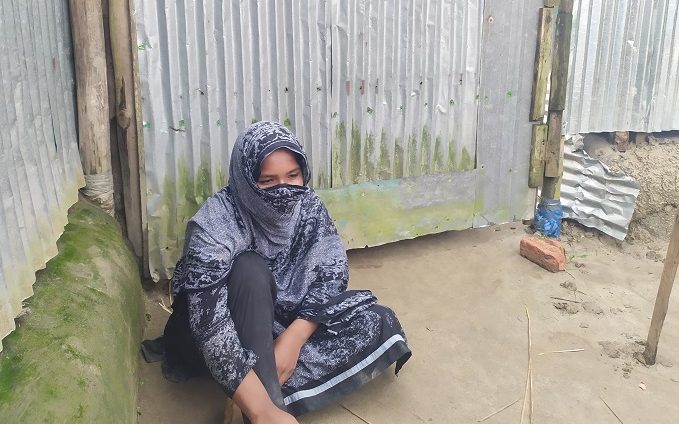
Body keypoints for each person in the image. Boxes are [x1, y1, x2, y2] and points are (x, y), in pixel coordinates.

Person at [143, 121, 411, 423]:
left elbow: (332, 273)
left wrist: (294, 338)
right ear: (246, 179)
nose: (284, 189)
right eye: (268, 180)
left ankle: (246, 391)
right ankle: (262, 404)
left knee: (378, 321)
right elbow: (210, 326)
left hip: (281, 322)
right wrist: (263, 411)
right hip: (214, 335)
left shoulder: (308, 206)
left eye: (293, 176)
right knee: (250, 270)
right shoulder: (215, 224)